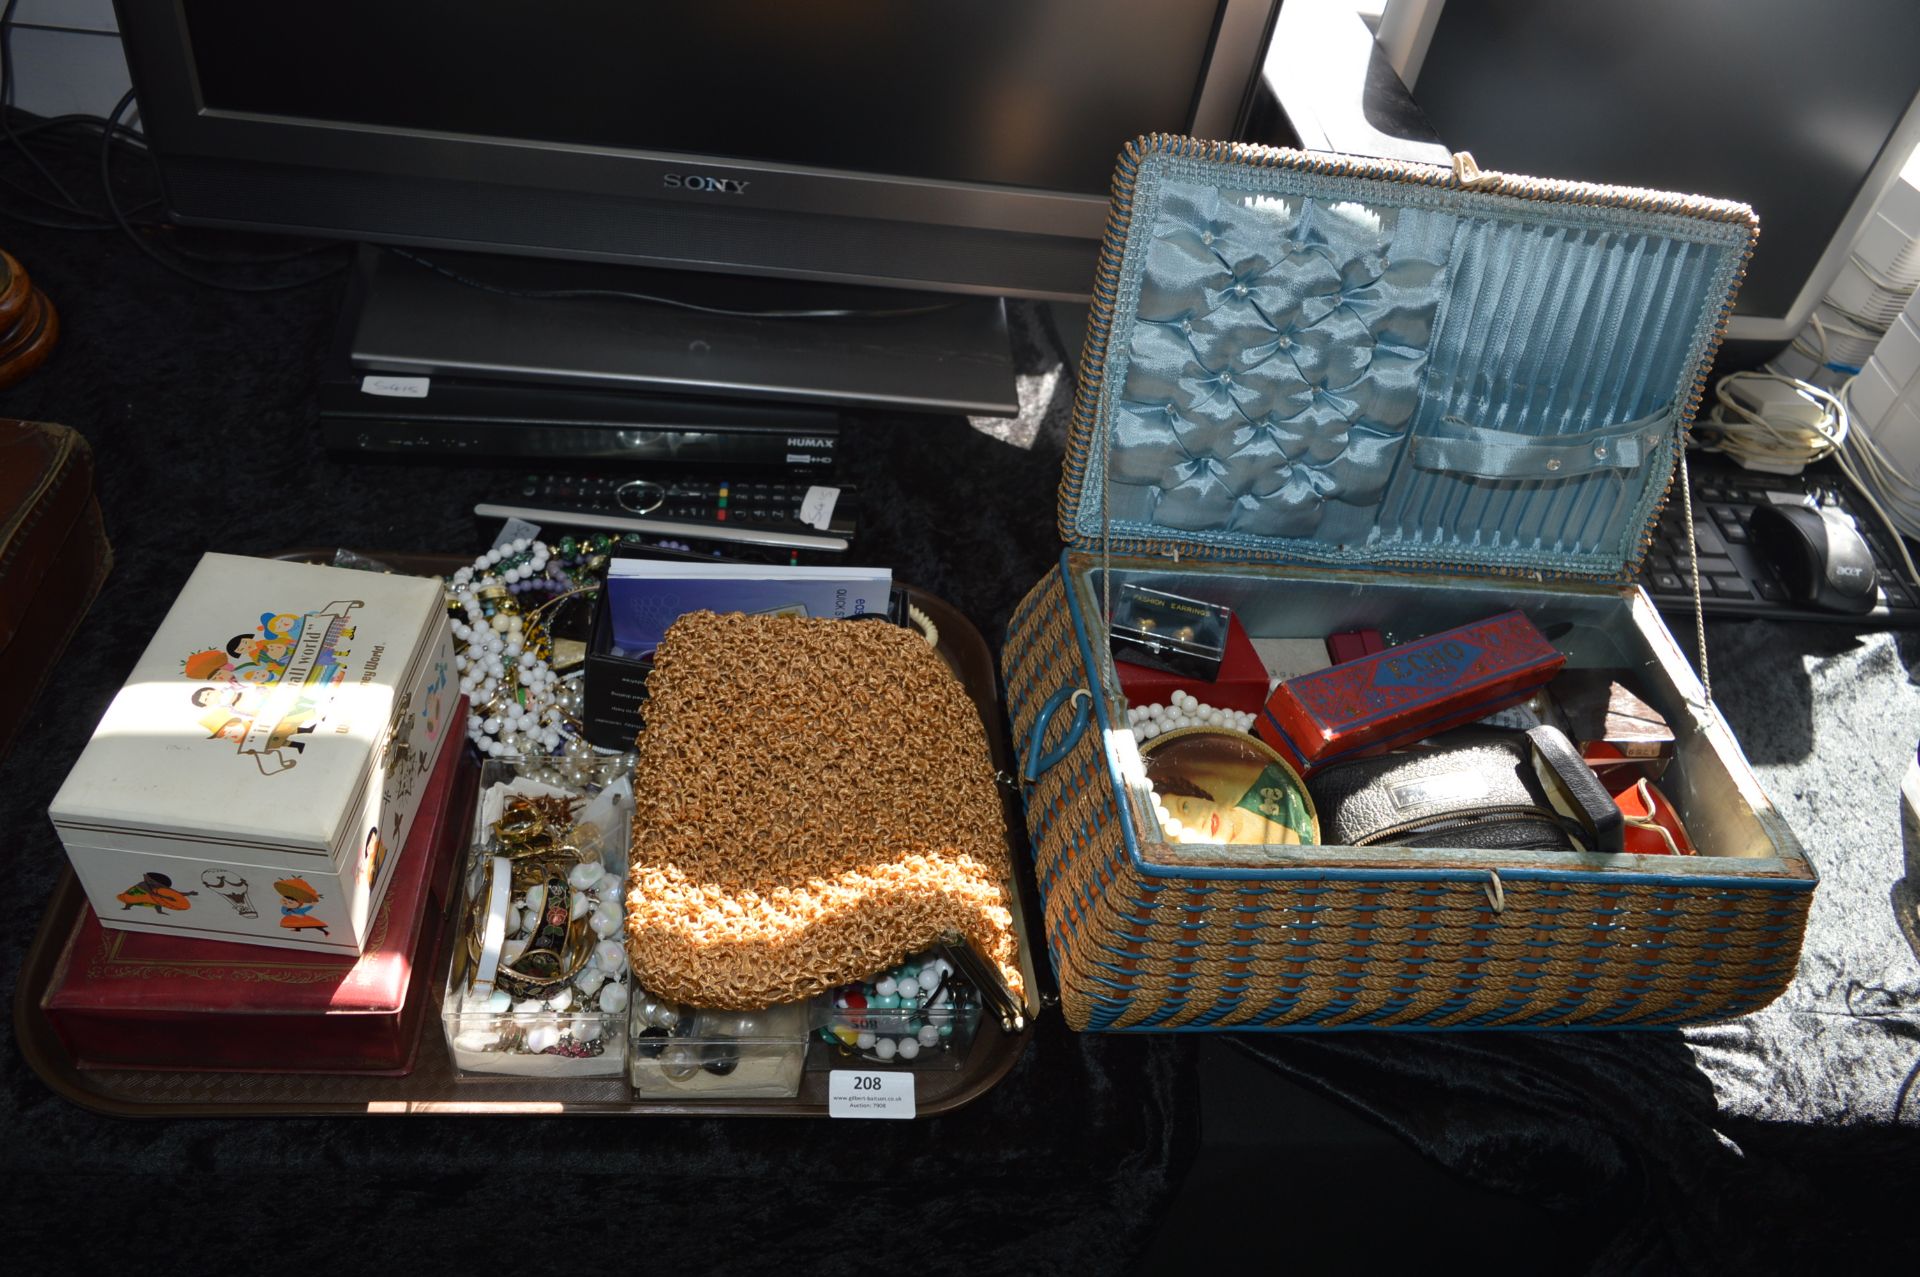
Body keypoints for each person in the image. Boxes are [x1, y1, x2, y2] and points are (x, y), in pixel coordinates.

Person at [1145, 732, 1316, 846]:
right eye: (1177, 832)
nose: (1197, 822)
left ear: (1197, 796)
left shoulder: (1269, 781)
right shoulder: (1238, 889)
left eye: (1185, 806)